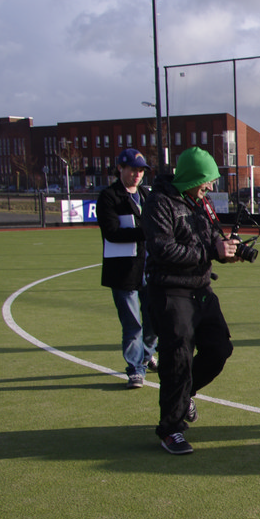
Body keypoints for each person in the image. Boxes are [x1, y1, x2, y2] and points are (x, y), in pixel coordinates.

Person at [143, 147, 243, 454]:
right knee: (177, 359)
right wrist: (212, 251)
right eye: (206, 180)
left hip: (201, 290)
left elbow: (211, 239)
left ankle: (186, 394)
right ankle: (171, 429)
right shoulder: (159, 203)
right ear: (190, 177)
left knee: (219, 348)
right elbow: (163, 249)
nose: (210, 186)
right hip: (170, 292)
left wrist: (228, 251)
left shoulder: (202, 203)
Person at [97, 148, 158, 388]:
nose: (137, 174)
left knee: (154, 319)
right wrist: (146, 232)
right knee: (132, 325)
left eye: (141, 170)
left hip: (150, 268)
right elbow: (112, 233)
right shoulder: (109, 197)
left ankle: (145, 356)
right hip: (124, 271)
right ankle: (135, 369)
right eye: (133, 169)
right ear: (120, 169)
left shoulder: (146, 195)